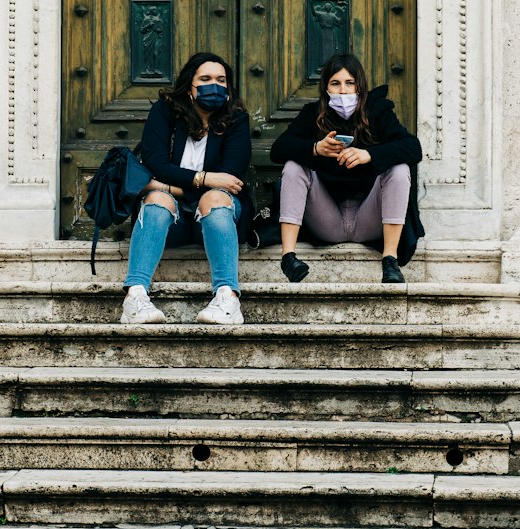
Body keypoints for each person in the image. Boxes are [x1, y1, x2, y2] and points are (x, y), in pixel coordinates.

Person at [121, 51, 253, 327]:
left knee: (215, 198)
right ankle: (135, 297)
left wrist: (170, 183)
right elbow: (156, 162)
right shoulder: (165, 111)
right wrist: (203, 180)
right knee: (157, 198)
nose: (213, 85)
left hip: (218, 218)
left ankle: (227, 298)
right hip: (172, 222)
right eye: (205, 79)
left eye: (221, 80)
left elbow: (231, 177)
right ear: (189, 86)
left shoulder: (236, 119)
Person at [269, 52, 423, 285]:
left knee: (400, 169)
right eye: (336, 83)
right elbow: (278, 150)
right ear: (326, 88)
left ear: (359, 87)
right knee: (293, 165)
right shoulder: (312, 114)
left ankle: (390, 261)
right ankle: (288, 258)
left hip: (368, 219)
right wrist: (315, 148)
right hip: (326, 219)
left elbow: (413, 148)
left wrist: (369, 155)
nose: (343, 91)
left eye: (349, 83)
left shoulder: (378, 111)